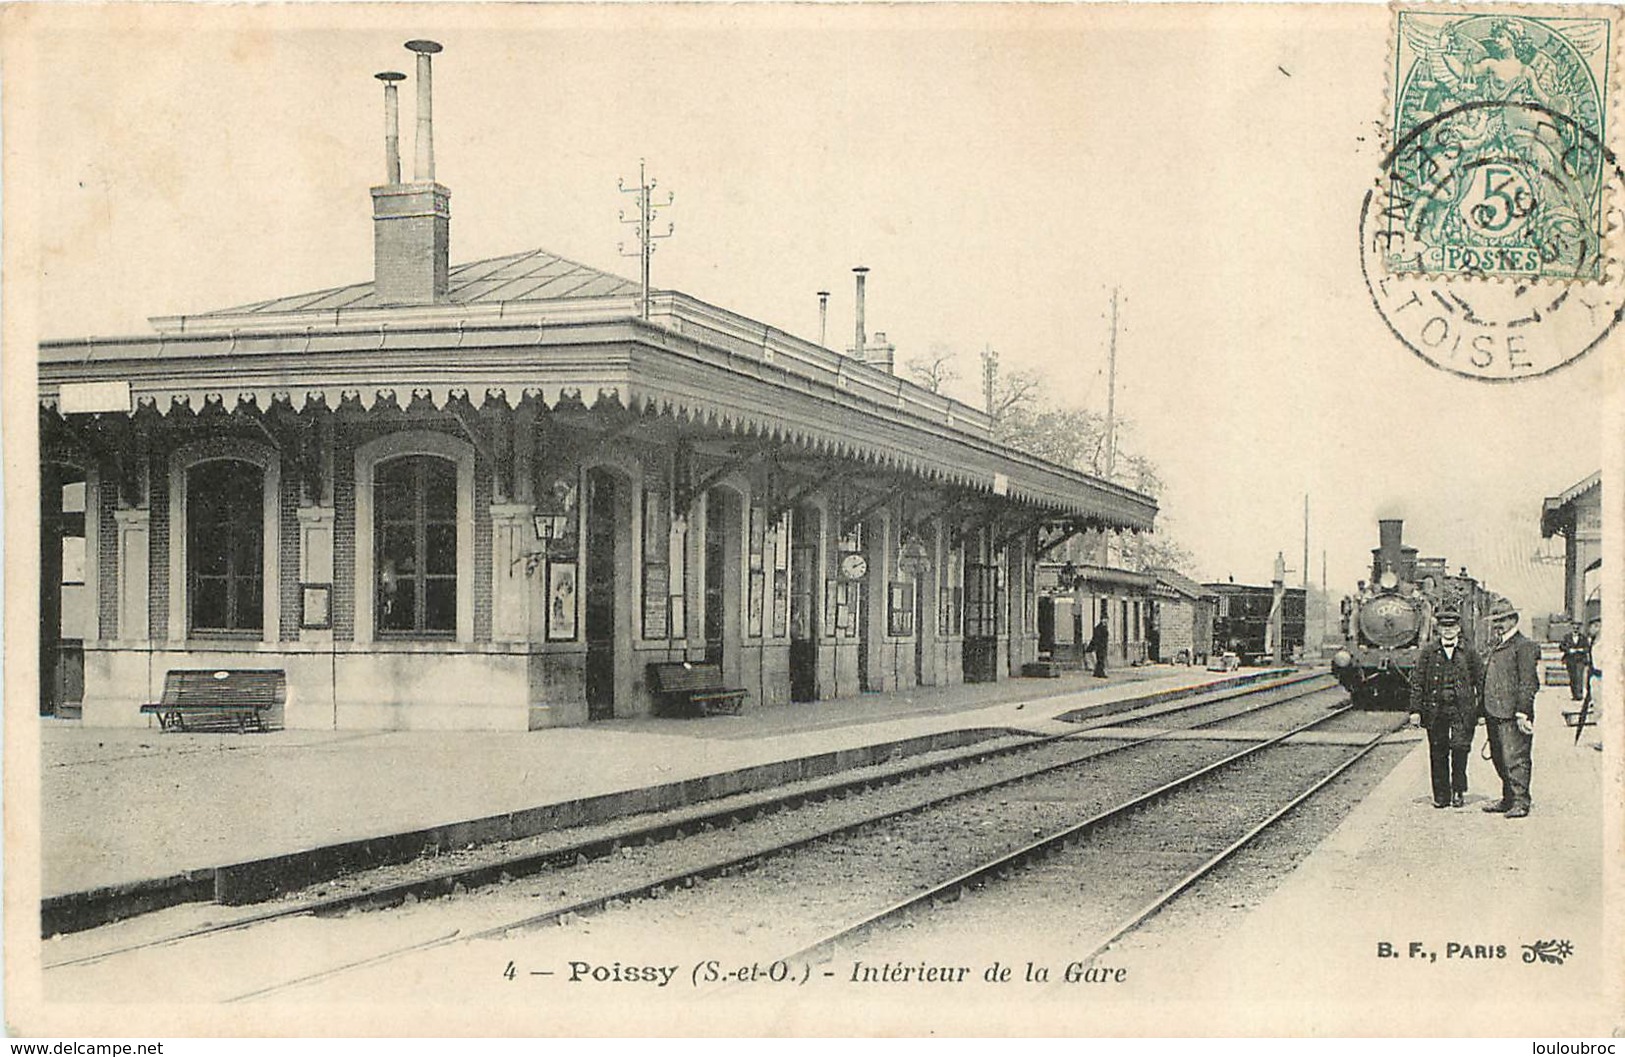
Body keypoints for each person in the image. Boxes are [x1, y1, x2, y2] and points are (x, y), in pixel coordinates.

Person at [1408, 608, 1483, 808]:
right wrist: (1415, 710)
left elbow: (1481, 681)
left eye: (1452, 626)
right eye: (1444, 626)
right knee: (1438, 751)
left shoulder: (1469, 652)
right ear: (1438, 629)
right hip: (1436, 709)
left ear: (1458, 628)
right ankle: (1441, 795)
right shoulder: (1429, 652)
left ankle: (1458, 790)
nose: (1448, 630)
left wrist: (1481, 711)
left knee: (1460, 749)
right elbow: (1418, 682)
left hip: (1462, 710)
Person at [1481, 596, 1541, 818]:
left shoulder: (1524, 646)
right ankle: (1508, 799)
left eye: (1504, 620)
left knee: (1516, 758)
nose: (1499, 624)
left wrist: (1523, 712)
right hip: (1493, 712)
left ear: (1514, 619)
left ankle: (1521, 802)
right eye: (1496, 620)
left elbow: (1529, 683)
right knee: (1499, 757)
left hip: (1513, 714)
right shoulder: (1497, 644)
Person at [1561, 622, 1593, 702]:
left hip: (1580, 660)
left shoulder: (1583, 637)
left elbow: (1587, 648)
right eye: (1574, 628)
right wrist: (1568, 650)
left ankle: (1579, 695)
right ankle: (1574, 694)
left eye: (1577, 628)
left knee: (1579, 676)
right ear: (1571, 628)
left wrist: (1581, 650)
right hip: (1570, 660)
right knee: (1572, 677)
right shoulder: (1566, 637)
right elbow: (1561, 646)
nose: (1575, 630)